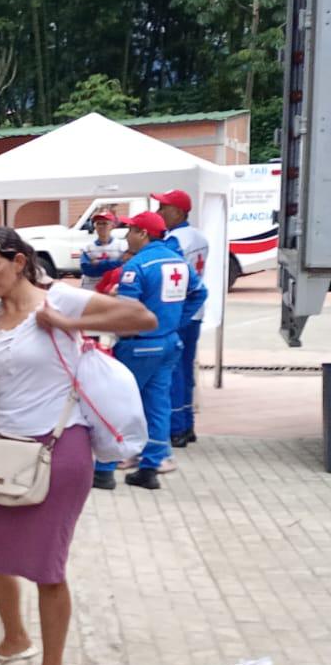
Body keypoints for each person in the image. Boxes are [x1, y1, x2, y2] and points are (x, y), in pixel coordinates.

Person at [0, 228, 157, 665]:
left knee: (47, 568)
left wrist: (65, 321)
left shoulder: (60, 296)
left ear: (20, 261)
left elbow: (143, 317)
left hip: (60, 447)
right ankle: (15, 639)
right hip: (5, 454)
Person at [94, 211, 203, 490]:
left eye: (130, 229)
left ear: (143, 233)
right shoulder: (177, 261)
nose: (125, 234)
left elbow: (127, 311)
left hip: (139, 345)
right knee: (158, 404)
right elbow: (200, 293)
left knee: (116, 402)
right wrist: (176, 322)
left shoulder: (138, 266)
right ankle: (150, 467)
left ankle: (104, 470)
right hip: (169, 343)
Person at [152, 188, 210, 448]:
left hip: (178, 313)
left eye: (163, 208)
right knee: (186, 369)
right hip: (195, 313)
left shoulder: (174, 241)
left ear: (176, 212)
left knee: (173, 371)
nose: (158, 213)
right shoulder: (199, 236)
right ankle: (187, 425)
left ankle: (176, 428)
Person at [79, 210, 124, 293]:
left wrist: (99, 263)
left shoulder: (122, 245)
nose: (101, 226)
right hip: (91, 288)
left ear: (112, 225)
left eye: (104, 223)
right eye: (98, 223)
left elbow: (124, 265)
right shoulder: (88, 247)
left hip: (113, 288)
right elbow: (86, 269)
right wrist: (112, 265)